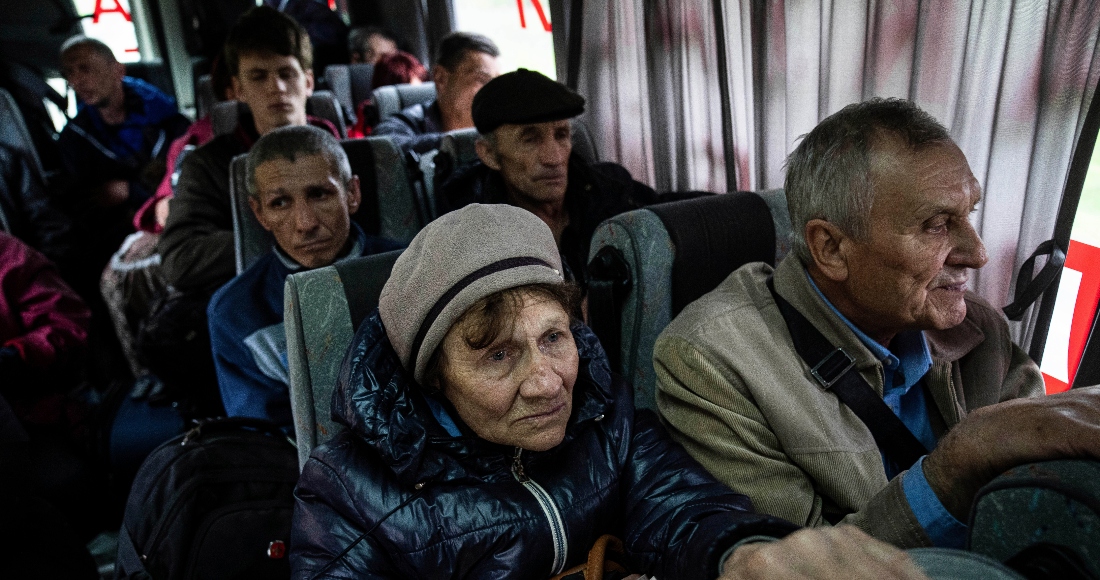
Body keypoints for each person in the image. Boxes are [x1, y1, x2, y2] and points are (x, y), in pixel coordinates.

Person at [289, 203, 938, 580]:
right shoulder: (347, 495)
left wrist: (747, 556)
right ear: (433, 376)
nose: (547, 384)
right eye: (496, 357)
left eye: (553, 338)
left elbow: (685, 506)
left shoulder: (601, 411)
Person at [652, 98, 1100, 549]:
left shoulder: (978, 329)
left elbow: (1040, 491)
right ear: (830, 247)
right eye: (936, 224)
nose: (978, 253)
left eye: (969, 215)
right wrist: (958, 465)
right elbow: (796, 565)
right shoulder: (710, 363)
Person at [208, 126, 402, 427]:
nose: (305, 223)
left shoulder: (413, 269)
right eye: (280, 203)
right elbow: (267, 437)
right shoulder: (236, 313)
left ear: (352, 193)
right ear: (259, 214)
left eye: (319, 194)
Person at [158, 6, 337, 297]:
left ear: (308, 82)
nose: (276, 87)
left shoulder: (348, 151)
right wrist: (281, 234)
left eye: (286, 73)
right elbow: (181, 258)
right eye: (258, 76)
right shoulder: (209, 165)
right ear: (238, 89)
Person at [437, 69, 658, 292]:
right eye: (530, 140)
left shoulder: (609, 188)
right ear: (489, 155)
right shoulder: (470, 234)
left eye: (561, 135)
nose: (554, 158)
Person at [57, 36, 190, 275]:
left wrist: (131, 192)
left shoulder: (169, 122)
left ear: (117, 69)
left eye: (85, 68)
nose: (77, 80)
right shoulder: (74, 140)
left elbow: (189, 182)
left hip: (176, 227)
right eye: (69, 73)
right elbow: (78, 209)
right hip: (113, 246)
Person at [374, 32, 501, 153]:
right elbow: (387, 149)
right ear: (441, 78)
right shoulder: (404, 124)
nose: (493, 92)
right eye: (481, 80)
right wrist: (464, 144)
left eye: (497, 82)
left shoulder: (500, 125)